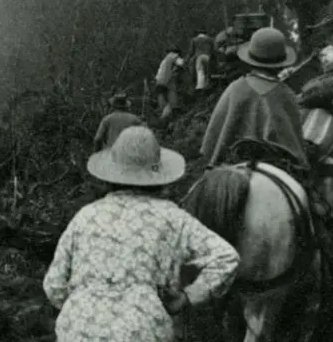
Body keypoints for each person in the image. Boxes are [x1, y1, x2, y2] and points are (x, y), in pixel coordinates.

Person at [44, 125, 240, 342]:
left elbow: (54, 285)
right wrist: (188, 297)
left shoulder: (85, 215)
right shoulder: (173, 218)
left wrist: (86, 307)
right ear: (159, 175)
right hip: (142, 330)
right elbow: (226, 258)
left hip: (77, 329)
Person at [200, 27, 309, 175]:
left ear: (250, 60)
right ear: (282, 64)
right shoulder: (286, 94)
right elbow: (295, 142)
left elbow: (215, 134)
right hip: (279, 165)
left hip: (232, 163)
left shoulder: (236, 89)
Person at [153, 48, 185, 119]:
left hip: (159, 80)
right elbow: (181, 63)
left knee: (161, 96)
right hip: (168, 80)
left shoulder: (164, 60)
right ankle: (173, 108)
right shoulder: (174, 56)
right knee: (172, 92)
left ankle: (163, 112)